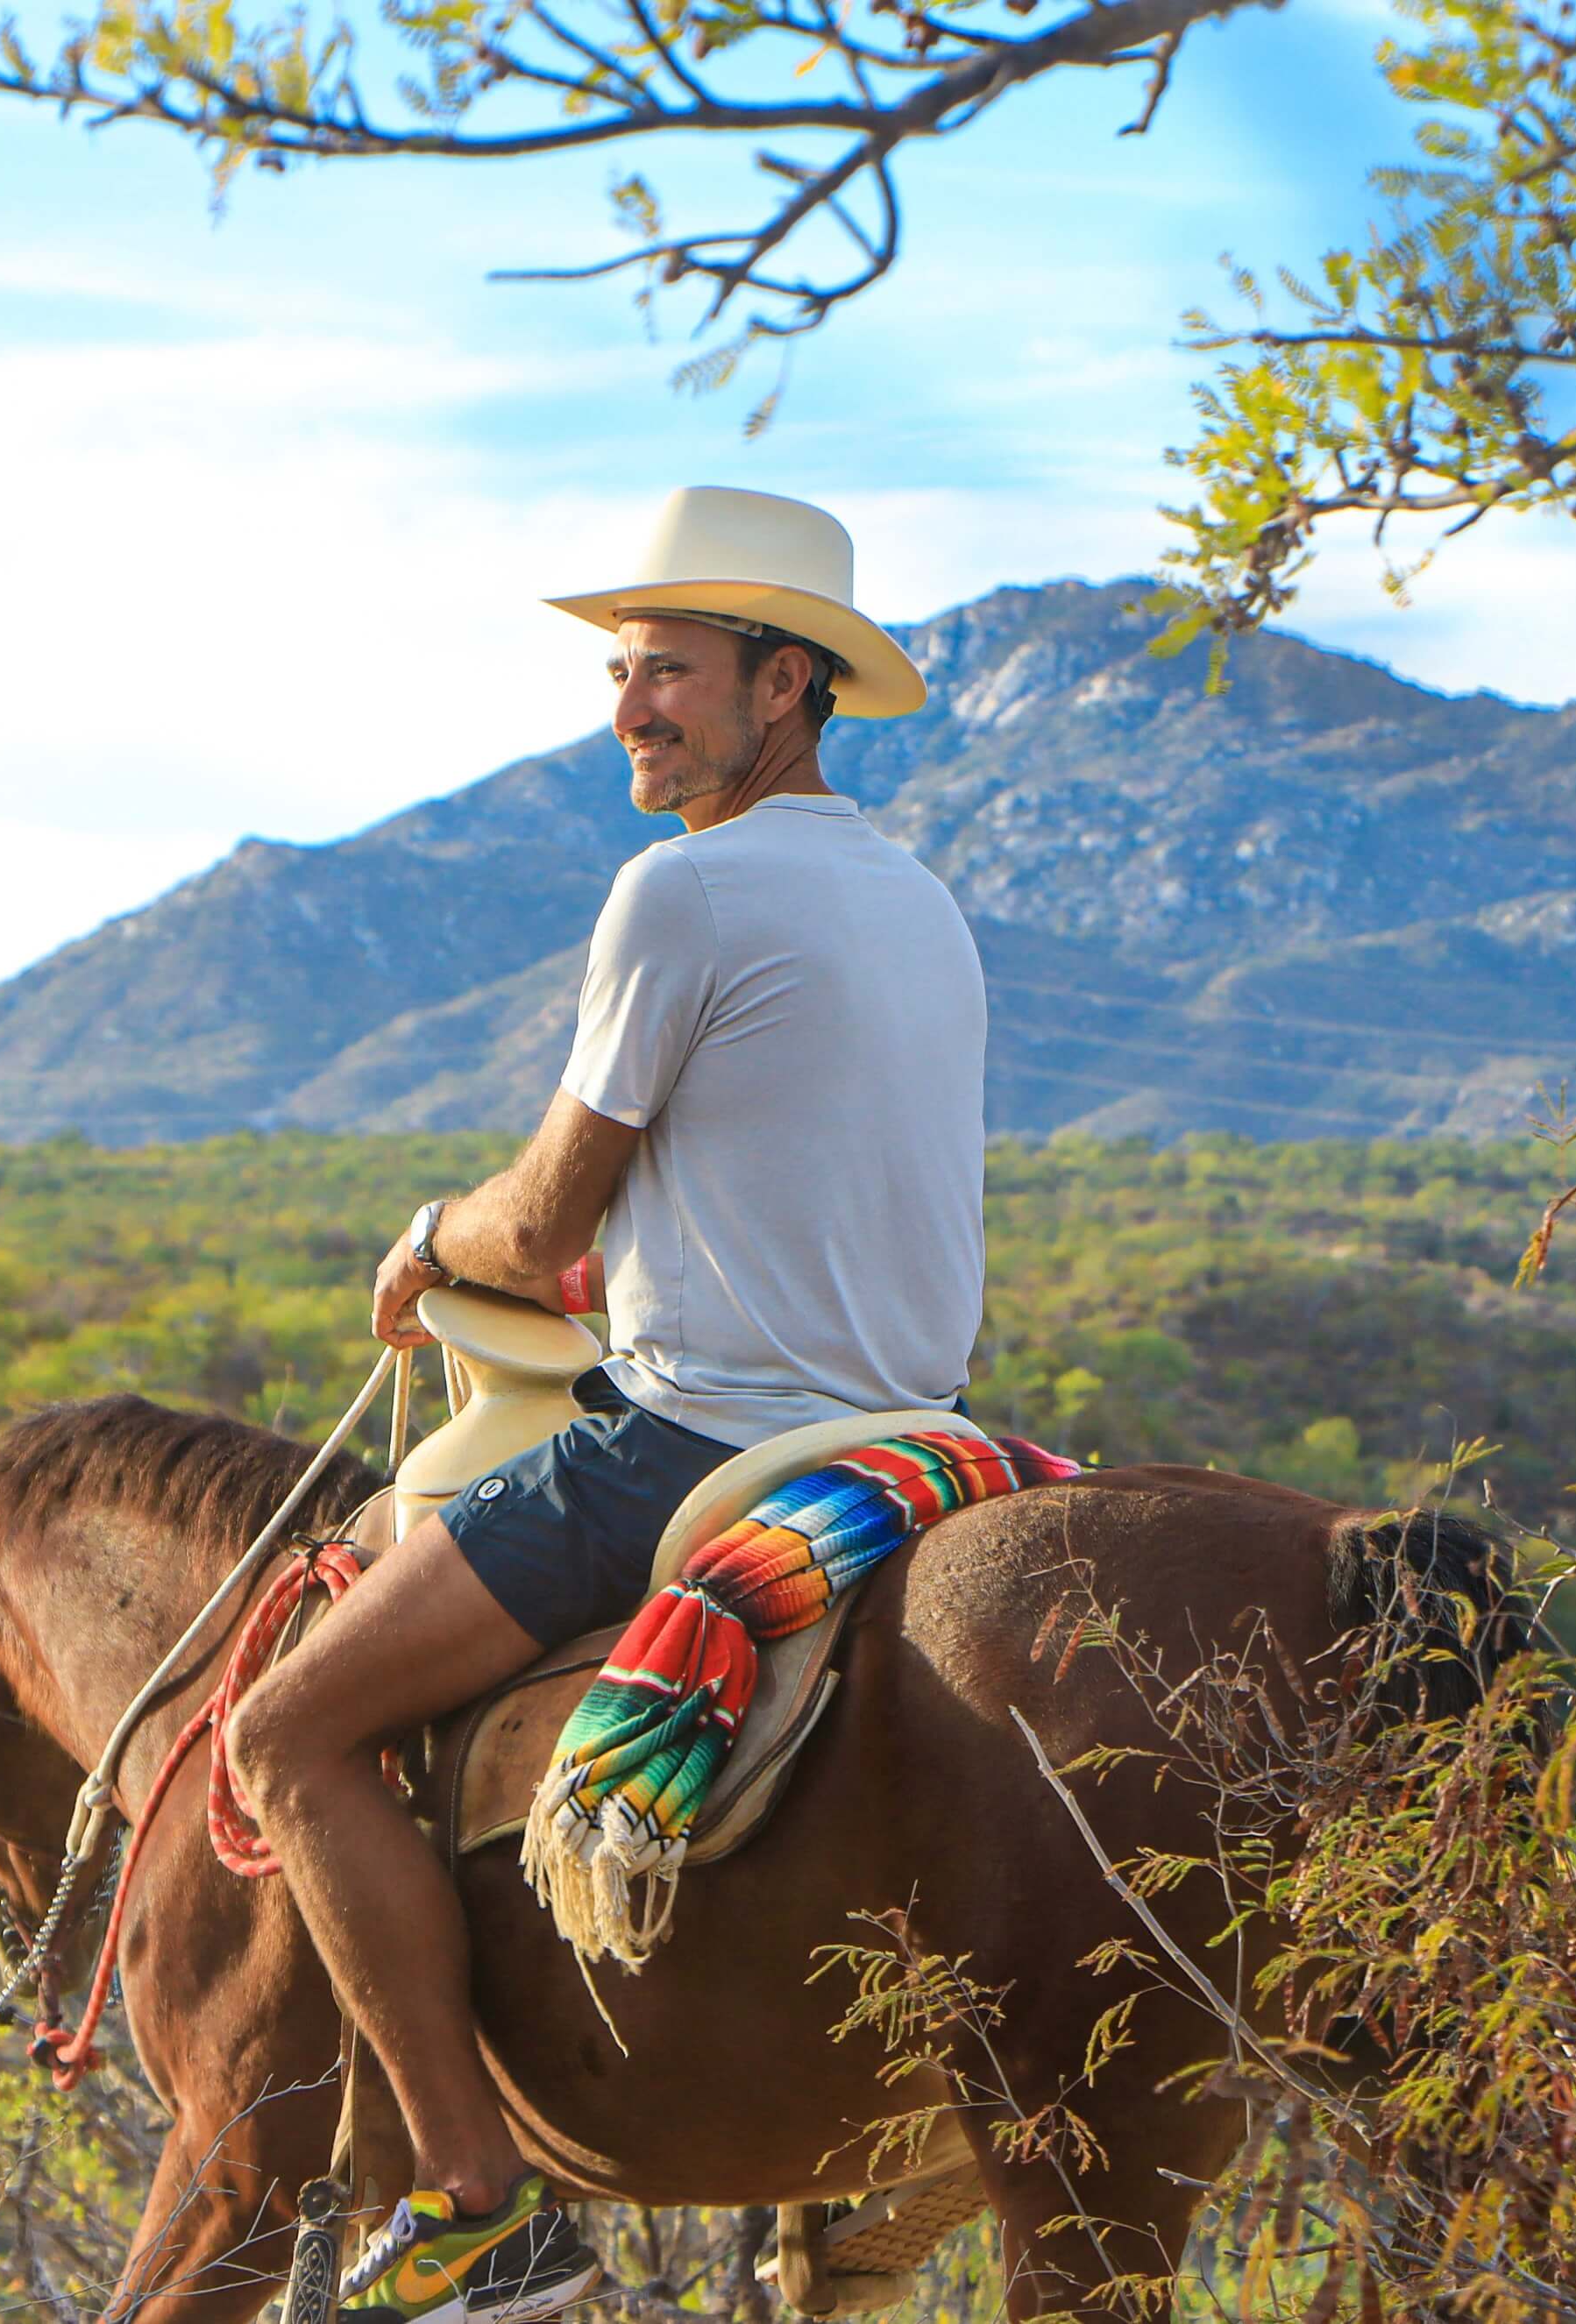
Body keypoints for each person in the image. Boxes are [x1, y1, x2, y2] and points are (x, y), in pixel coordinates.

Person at [224, 486, 990, 2324]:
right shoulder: (925, 901)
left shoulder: (683, 889)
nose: (631, 708)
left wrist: (428, 1241)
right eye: (624, 672)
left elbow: (545, 1215)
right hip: (928, 1444)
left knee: (287, 1736)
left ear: (788, 685)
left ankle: (482, 2205)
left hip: (703, 1441)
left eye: (669, 673)